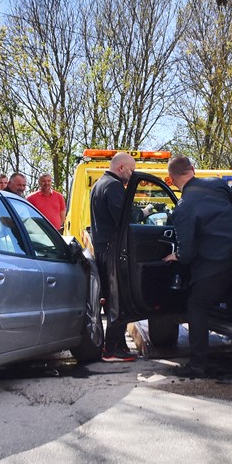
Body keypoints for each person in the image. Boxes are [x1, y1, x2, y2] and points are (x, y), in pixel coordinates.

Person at [162, 154, 232, 377]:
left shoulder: (183, 208)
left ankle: (198, 363)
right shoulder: (216, 184)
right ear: (193, 169)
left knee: (197, 306)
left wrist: (177, 256)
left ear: (171, 179)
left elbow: (187, 251)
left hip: (215, 263)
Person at [90, 151, 138, 362]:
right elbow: (123, 217)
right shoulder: (114, 186)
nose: (132, 174)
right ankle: (112, 349)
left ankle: (118, 344)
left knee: (111, 298)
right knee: (118, 299)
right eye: (131, 170)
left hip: (102, 249)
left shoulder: (99, 185)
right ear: (121, 168)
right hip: (113, 251)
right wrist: (142, 213)